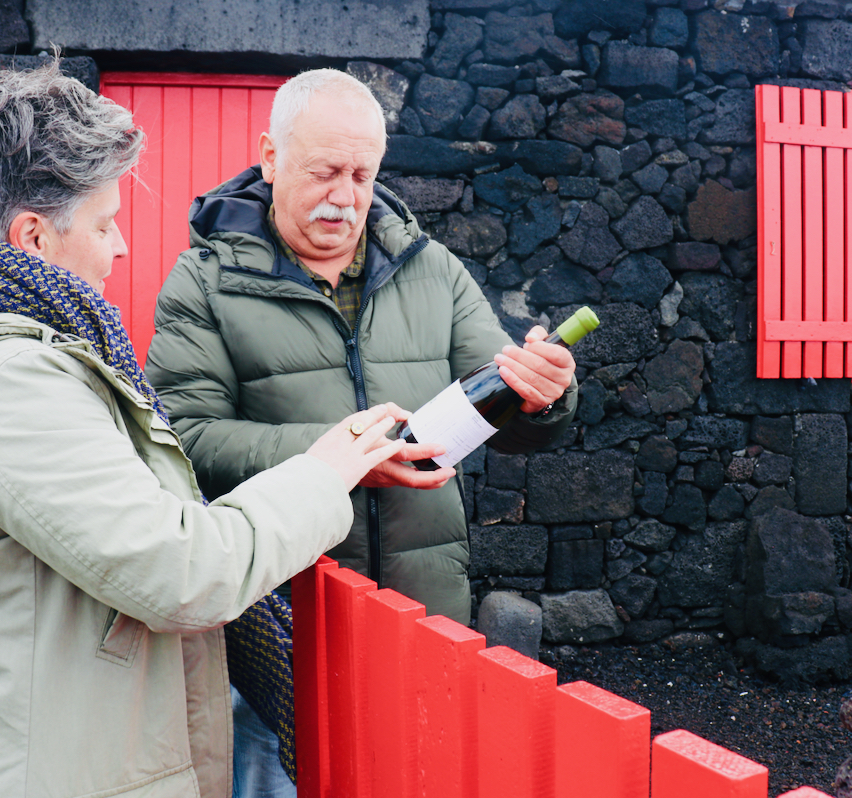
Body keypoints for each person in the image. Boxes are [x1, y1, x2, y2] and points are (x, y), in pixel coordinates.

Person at [0, 61, 412, 798]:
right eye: (105, 224)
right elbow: (185, 573)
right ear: (33, 237)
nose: (121, 248)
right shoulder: (7, 386)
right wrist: (325, 471)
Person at [145, 69, 580, 795]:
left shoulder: (432, 270)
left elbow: (504, 411)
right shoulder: (203, 283)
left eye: (363, 174)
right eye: (324, 172)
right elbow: (185, 441)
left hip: (424, 615)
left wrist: (544, 397)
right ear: (271, 157)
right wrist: (337, 463)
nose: (345, 197)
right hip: (279, 626)